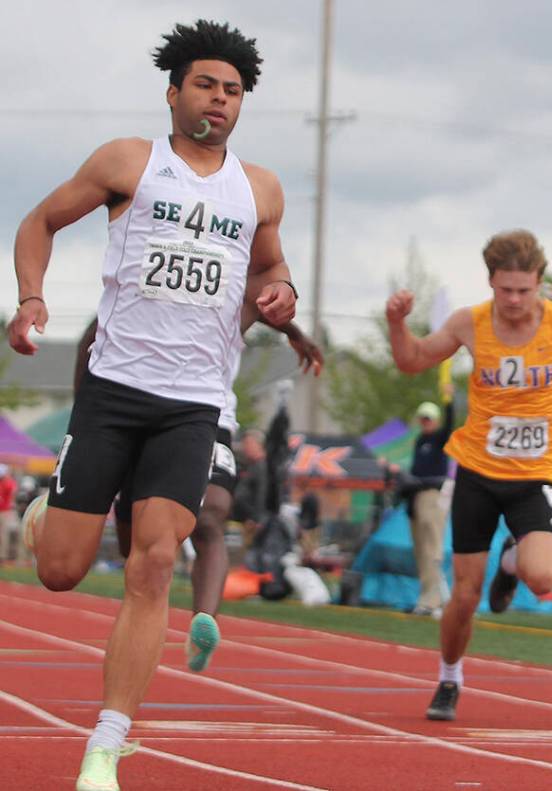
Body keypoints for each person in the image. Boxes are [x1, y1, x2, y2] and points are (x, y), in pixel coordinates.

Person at [8, 20, 298, 790]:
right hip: (113, 391)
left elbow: (272, 267)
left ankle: (105, 744)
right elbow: (38, 222)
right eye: (205, 85)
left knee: (157, 559)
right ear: (174, 93)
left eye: (232, 90)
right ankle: (47, 517)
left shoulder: (260, 189)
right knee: (62, 570)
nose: (219, 100)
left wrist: (281, 293)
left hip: (193, 403)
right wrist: (31, 299)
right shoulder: (128, 162)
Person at [386, 229, 552, 721]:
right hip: (476, 473)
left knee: (544, 579)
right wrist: (396, 323)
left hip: (533, 477)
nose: (514, 300)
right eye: (505, 289)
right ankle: (449, 678)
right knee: (465, 595)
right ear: (490, 281)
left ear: (540, 283)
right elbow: (412, 361)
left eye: (524, 290)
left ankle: (512, 562)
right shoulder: (470, 323)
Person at [74, 310, 322, 673]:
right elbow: (92, 335)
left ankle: (196, 620)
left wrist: (294, 331)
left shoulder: (228, 285)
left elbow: (262, 299)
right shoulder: (143, 292)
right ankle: (198, 614)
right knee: (193, 528)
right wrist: (295, 332)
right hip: (157, 413)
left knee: (186, 528)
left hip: (198, 415)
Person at [406, 385, 456, 617]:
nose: (425, 422)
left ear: (435, 420)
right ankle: (427, 597)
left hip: (433, 494)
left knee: (432, 547)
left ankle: (435, 599)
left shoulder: (438, 439)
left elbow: (450, 426)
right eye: (423, 418)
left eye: (428, 419)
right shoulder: (419, 441)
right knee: (421, 549)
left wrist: (449, 400)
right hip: (417, 495)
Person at [0, 464, 17, 564]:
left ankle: (2, 556)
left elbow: (13, 493)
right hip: (4, 511)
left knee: (4, 535)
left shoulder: (8, 483)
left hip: (5, 512)